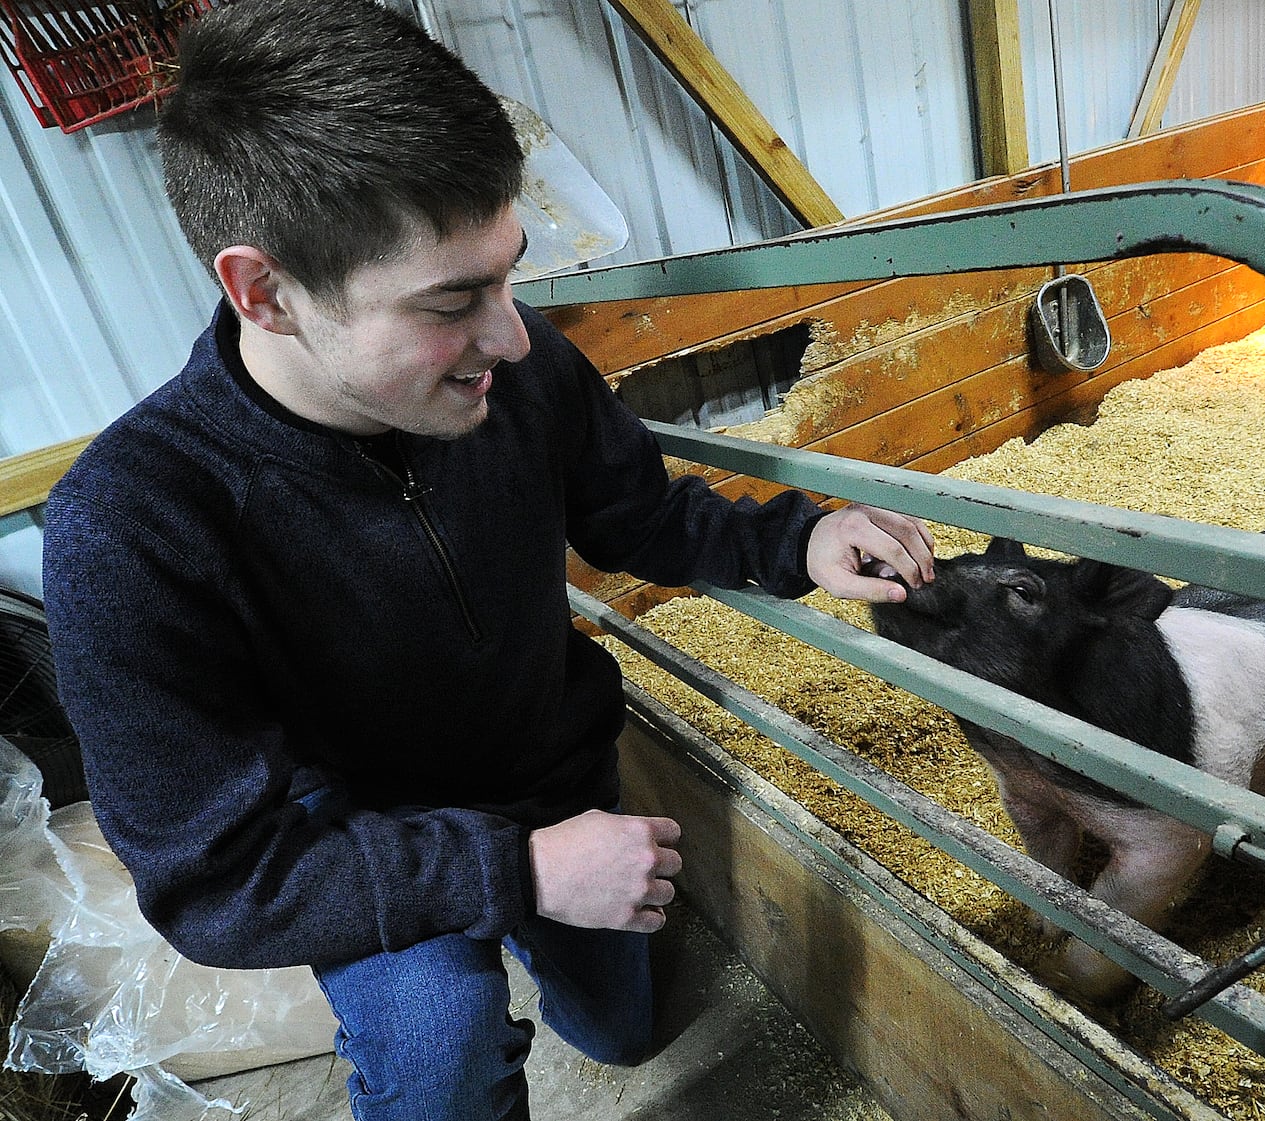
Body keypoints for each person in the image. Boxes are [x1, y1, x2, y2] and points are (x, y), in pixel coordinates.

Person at [39, 1, 934, 1117]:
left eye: (507, 272)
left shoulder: (519, 369)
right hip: (356, 841)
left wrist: (794, 536)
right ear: (263, 290)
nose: (513, 336)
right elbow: (218, 881)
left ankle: (564, 968)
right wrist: (513, 872)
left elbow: (637, 515)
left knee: (616, 1030)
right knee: (443, 1047)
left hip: (554, 774)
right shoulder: (134, 526)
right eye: (451, 301)